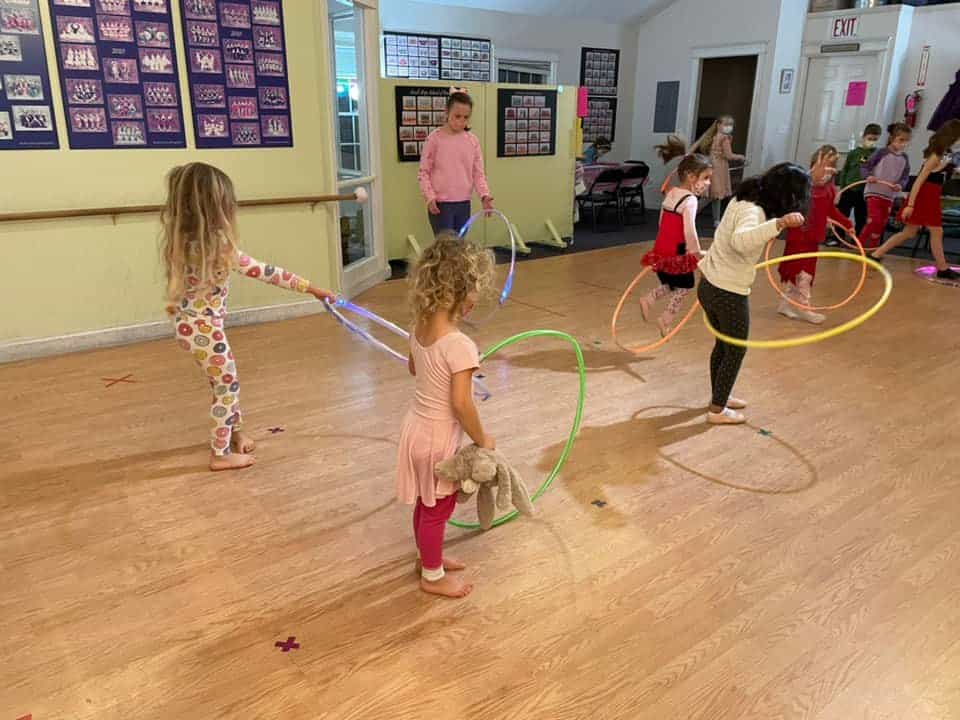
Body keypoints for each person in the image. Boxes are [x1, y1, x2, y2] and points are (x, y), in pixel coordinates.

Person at [161, 163, 335, 471]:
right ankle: (219, 453)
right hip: (204, 330)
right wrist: (312, 288)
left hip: (190, 327)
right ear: (215, 208)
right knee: (227, 386)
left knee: (224, 382)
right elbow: (267, 272)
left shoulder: (184, 239)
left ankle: (234, 432)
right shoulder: (218, 246)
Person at [397, 233, 495, 598]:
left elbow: (412, 368)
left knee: (427, 501)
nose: (474, 303)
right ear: (460, 297)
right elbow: (461, 404)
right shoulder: (461, 345)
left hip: (415, 428)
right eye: (473, 294)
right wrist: (482, 440)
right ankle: (433, 576)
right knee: (439, 507)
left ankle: (428, 558)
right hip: (438, 438)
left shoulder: (418, 328)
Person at [696, 163, 809, 425]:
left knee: (724, 346)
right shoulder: (754, 210)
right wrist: (778, 223)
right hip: (727, 292)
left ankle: (719, 396)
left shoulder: (744, 197)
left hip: (710, 284)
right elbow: (740, 240)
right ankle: (717, 409)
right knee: (735, 349)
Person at [870, 119, 960, 280]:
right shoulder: (936, 156)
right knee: (936, 231)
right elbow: (919, 180)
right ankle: (942, 268)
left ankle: (876, 254)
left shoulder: (945, 154)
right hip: (925, 196)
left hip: (931, 194)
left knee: (909, 232)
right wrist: (910, 205)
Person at [639, 153, 713, 336]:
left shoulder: (671, 193)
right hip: (676, 251)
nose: (708, 183)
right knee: (686, 286)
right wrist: (696, 254)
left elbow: (661, 221)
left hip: (661, 248)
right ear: (691, 177)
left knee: (672, 283)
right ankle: (666, 319)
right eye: (706, 178)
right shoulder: (690, 200)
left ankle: (649, 298)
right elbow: (690, 231)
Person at [778, 146, 853, 325]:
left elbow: (831, 211)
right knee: (802, 274)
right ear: (813, 167)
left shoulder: (828, 190)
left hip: (813, 239)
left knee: (802, 273)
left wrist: (847, 225)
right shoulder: (803, 187)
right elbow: (791, 204)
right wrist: (810, 179)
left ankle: (785, 305)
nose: (825, 174)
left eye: (830, 169)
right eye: (822, 168)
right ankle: (805, 307)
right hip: (799, 239)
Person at [418, 88, 493, 235]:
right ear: (447, 112)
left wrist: (484, 195)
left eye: (466, 117)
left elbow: (478, 174)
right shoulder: (434, 139)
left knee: (459, 248)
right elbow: (423, 172)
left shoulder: (472, 141)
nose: (461, 122)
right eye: (457, 116)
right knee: (445, 249)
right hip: (441, 205)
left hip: (463, 204)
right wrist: (430, 197)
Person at [859, 122, 912, 248]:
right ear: (892, 138)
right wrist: (868, 176)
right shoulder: (881, 152)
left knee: (882, 223)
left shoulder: (905, 158)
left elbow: (905, 176)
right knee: (874, 220)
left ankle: (873, 248)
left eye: (907, 141)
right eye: (901, 140)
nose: (903, 143)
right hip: (874, 192)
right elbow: (865, 166)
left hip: (889, 195)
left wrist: (900, 184)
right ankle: (859, 244)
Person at [832, 122, 882, 242]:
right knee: (842, 214)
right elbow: (845, 170)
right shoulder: (853, 153)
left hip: (865, 191)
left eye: (875, 139)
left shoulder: (877, 154)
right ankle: (837, 238)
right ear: (864, 136)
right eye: (870, 138)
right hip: (849, 189)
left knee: (862, 217)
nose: (872, 141)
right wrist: (841, 189)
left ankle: (858, 240)